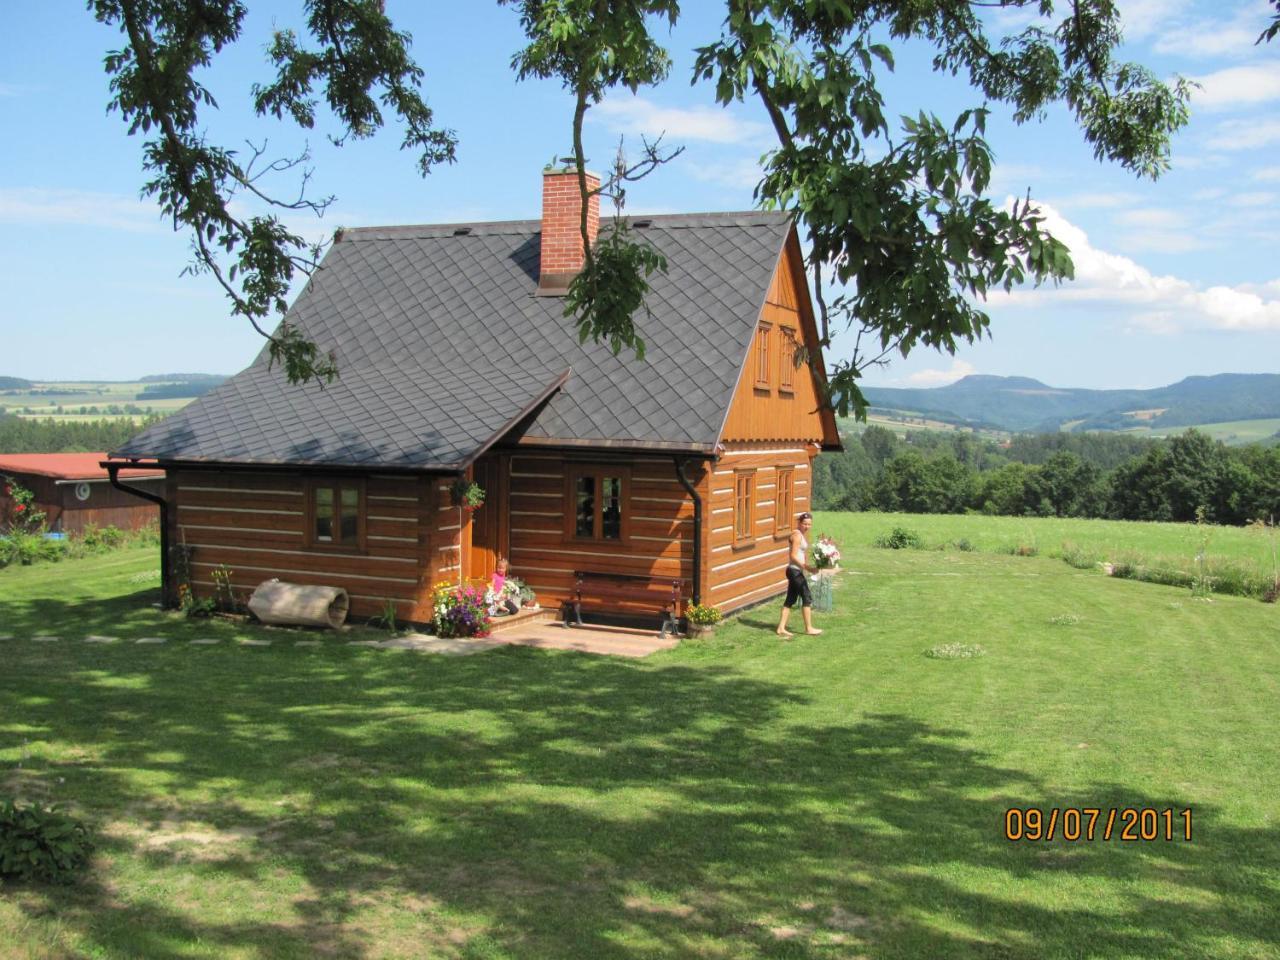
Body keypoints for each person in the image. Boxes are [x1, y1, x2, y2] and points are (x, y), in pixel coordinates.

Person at [777, 512, 822, 638]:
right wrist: (806, 567)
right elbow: (793, 556)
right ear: (799, 523)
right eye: (804, 524)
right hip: (794, 571)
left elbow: (801, 555)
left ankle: (781, 628)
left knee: (790, 599)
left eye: (809, 524)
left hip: (795, 570)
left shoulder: (800, 535)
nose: (807, 526)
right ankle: (809, 628)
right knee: (806, 596)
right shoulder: (796, 535)